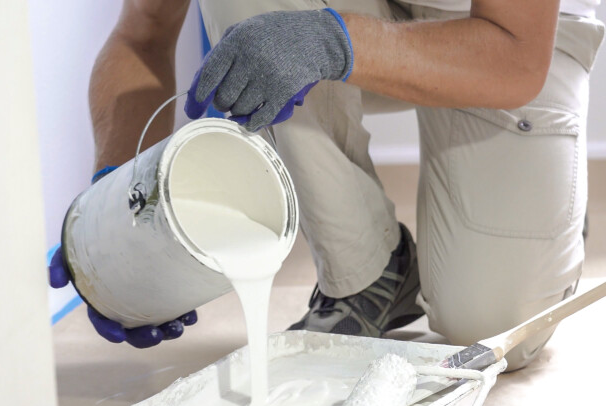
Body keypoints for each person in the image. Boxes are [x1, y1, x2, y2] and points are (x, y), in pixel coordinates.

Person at [50, 0, 604, 371]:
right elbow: (143, 34)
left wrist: (331, 43)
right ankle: (365, 272)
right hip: (343, 12)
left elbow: (515, 55)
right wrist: (117, 202)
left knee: (493, 325)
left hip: (500, 34)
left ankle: (555, 202)